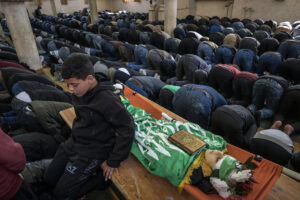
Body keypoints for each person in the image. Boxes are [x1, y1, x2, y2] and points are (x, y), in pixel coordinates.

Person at [44, 53, 135, 199]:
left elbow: (127, 128)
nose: (70, 89)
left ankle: (99, 182)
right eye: (68, 85)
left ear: (90, 79)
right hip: (74, 142)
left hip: (91, 152)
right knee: (48, 180)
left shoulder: (108, 100)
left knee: (61, 194)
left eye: (74, 85)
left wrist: (113, 161)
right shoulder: (80, 92)